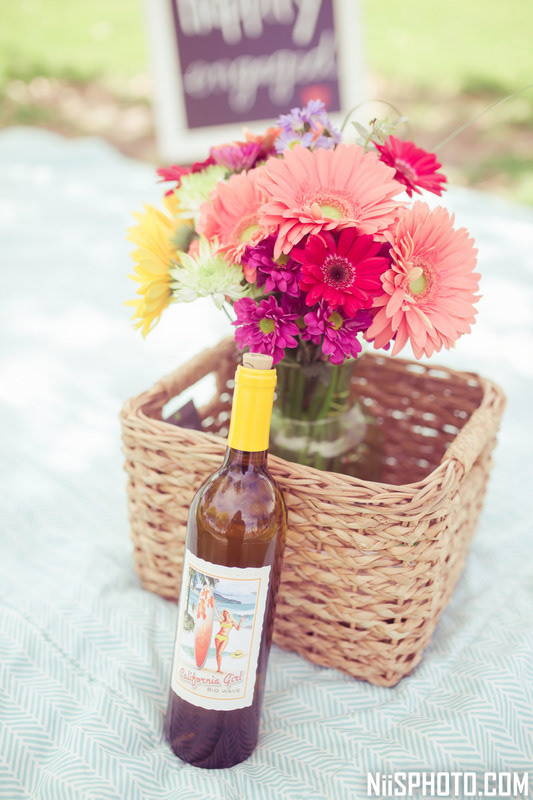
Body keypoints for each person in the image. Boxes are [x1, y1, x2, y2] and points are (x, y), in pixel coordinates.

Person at [213, 605, 244, 673]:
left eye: (227, 612)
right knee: (218, 653)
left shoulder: (232, 622)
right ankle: (219, 669)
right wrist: (214, 606)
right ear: (223, 614)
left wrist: (240, 621)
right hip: (218, 636)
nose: (226, 614)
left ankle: (219, 669)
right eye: (224, 613)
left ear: (229, 613)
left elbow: (238, 629)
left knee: (219, 652)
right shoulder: (222, 621)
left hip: (225, 638)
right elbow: (217, 615)